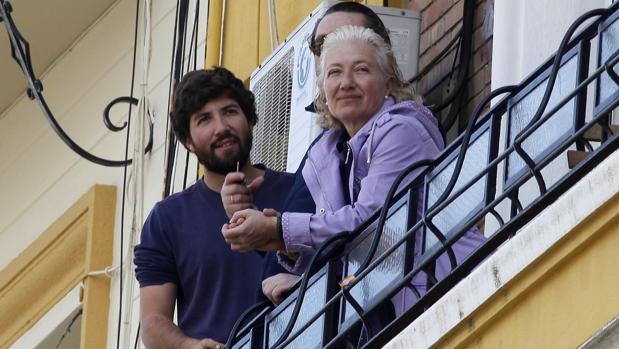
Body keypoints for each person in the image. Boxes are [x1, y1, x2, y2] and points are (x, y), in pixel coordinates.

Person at [220, 1, 396, 306]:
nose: (338, 50)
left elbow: (371, 228)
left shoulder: (401, 125)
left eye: (349, 36)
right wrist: (264, 228)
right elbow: (308, 242)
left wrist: (277, 231)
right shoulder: (325, 149)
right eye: (323, 45)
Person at [133, 67, 294, 349]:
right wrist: (189, 346)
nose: (221, 127)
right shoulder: (167, 220)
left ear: (250, 119)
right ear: (188, 141)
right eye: (204, 119)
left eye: (230, 111)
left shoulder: (301, 188)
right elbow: (153, 323)